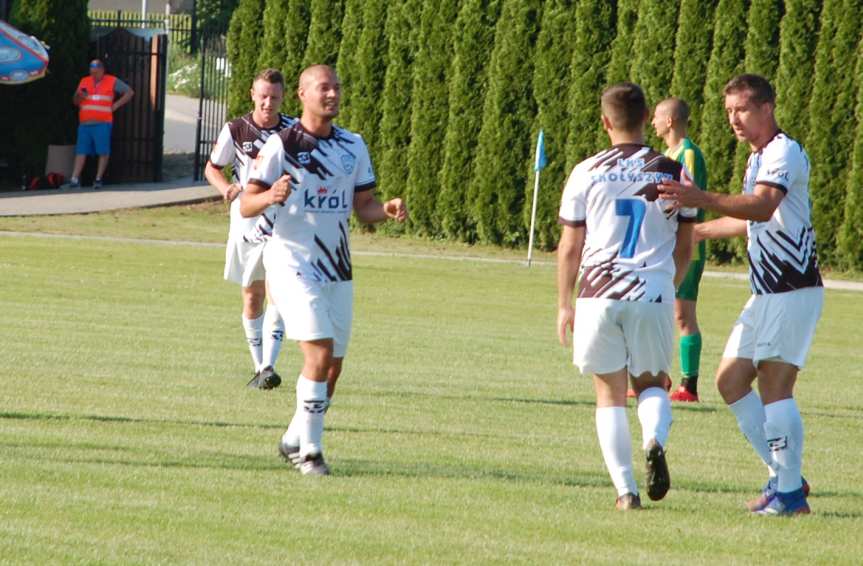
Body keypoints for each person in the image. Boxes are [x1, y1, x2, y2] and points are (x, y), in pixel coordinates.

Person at [659, 74, 821, 516]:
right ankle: (785, 476)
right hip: (766, 294)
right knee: (730, 381)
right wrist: (693, 233)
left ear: (767, 108)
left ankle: (789, 497)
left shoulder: (783, 151)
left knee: (774, 385)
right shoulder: (758, 158)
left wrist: (700, 197)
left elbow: (763, 205)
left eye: (742, 110)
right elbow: (753, 220)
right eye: (729, 111)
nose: (733, 119)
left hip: (792, 290)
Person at [241, 65, 407, 476]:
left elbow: (363, 207)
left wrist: (384, 210)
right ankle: (311, 453)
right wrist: (269, 197)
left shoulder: (353, 145)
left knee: (333, 365)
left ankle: (294, 436)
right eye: (323, 87)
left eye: (336, 86)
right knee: (317, 351)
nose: (331, 93)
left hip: (338, 267)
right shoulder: (281, 145)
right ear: (302, 94)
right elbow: (246, 203)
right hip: (291, 262)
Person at [557, 82, 695, 510]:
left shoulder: (586, 171)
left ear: (605, 122)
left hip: (598, 293)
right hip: (651, 289)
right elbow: (687, 241)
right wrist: (669, 283)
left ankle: (625, 492)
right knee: (653, 384)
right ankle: (654, 437)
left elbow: (569, 246)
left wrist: (564, 302)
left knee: (608, 394)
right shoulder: (671, 171)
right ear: (643, 122)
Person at [205, 68, 293, 390]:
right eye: (263, 96)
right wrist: (225, 187)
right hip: (247, 218)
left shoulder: (293, 131)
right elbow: (212, 167)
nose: (268, 102)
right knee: (252, 294)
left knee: (278, 290)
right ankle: (259, 366)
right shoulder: (236, 129)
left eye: (275, 97)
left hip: (281, 220)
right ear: (252, 94)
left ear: (283, 98)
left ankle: (269, 364)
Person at [651, 98, 709, 402]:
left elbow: (688, 198)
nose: (652, 123)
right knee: (663, 310)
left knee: (682, 315)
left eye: (657, 117)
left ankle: (689, 386)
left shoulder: (687, 153)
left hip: (688, 246)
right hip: (668, 244)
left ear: (671, 121)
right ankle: (659, 377)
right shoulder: (667, 154)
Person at [69, 59, 134, 189]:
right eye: (91, 72)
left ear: (102, 71)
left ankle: (98, 178)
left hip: (103, 123)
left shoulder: (111, 80)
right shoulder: (84, 81)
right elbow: (75, 102)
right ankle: (74, 179)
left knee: (103, 151)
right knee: (81, 151)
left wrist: (115, 105)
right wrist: (78, 96)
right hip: (85, 123)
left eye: (96, 72)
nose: (93, 75)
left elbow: (129, 92)